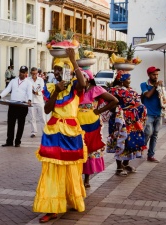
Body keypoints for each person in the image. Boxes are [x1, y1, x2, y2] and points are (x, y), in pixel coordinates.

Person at [33, 49, 87, 223]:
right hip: (54, 131)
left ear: (68, 70)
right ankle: (52, 207)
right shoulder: (50, 88)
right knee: (51, 170)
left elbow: (83, 83)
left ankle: (72, 198)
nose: (56, 72)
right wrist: (56, 91)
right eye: (55, 69)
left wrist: (73, 59)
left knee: (71, 169)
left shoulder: (74, 86)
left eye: (60, 69)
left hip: (71, 132)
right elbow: (48, 109)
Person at [77, 68, 118, 187]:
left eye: (82, 77)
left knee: (90, 148)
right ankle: (77, 176)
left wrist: (99, 110)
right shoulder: (77, 91)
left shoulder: (96, 89)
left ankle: (87, 179)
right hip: (77, 124)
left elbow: (113, 100)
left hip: (92, 124)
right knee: (78, 148)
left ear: (88, 79)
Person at [108, 71, 147, 176]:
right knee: (120, 140)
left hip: (132, 120)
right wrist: (119, 110)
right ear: (121, 79)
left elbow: (137, 101)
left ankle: (126, 163)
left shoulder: (131, 90)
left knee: (132, 142)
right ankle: (119, 167)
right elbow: (109, 104)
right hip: (119, 120)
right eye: (128, 79)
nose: (130, 81)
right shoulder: (113, 91)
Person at [0, 66, 32, 147]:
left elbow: (29, 92)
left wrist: (29, 100)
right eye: (21, 72)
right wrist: (0, 96)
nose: (22, 74)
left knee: (21, 124)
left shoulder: (28, 83)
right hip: (13, 105)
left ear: (26, 73)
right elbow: (7, 89)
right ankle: (9, 141)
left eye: (24, 72)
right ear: (19, 72)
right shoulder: (13, 81)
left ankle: (17, 141)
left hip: (22, 105)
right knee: (10, 124)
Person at [140, 66, 163, 163]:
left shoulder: (160, 85)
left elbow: (162, 97)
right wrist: (155, 87)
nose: (156, 76)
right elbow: (148, 95)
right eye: (154, 74)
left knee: (155, 134)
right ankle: (140, 148)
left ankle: (151, 155)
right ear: (149, 75)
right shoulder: (144, 84)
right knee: (148, 132)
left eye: (157, 75)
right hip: (148, 113)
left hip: (159, 113)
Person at [28, 67, 46, 138]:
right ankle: (33, 132)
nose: (34, 75)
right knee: (32, 118)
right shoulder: (28, 80)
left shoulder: (40, 80)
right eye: (33, 74)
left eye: (35, 73)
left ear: (37, 73)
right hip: (31, 101)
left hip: (39, 101)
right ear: (30, 73)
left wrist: (36, 92)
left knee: (42, 118)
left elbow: (42, 89)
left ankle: (44, 131)